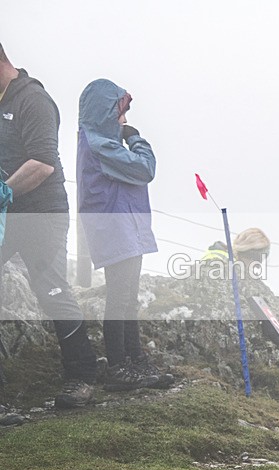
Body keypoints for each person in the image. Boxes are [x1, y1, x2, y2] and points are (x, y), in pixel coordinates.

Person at [0, 43, 98, 408]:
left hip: (43, 212)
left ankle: (82, 376)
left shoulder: (33, 100)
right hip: (9, 215)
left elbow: (43, 163)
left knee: (50, 289)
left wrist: (3, 192)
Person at [77, 78, 173, 391]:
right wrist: (137, 139)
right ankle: (120, 367)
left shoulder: (100, 142)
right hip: (116, 227)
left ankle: (135, 361)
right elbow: (145, 168)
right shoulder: (100, 145)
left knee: (127, 297)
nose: (125, 120)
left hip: (123, 226)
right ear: (106, 112)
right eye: (120, 112)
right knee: (120, 298)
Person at [202, 227, 270, 273]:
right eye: (257, 259)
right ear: (247, 254)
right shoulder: (220, 260)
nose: (257, 266)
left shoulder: (235, 265)